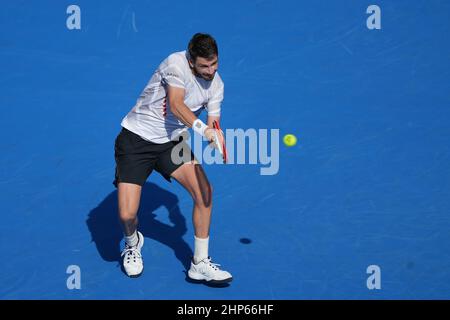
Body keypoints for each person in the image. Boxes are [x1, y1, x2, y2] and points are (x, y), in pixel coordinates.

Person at [112, 33, 232, 284]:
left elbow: (214, 123)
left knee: (205, 193)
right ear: (191, 61)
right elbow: (176, 105)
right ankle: (132, 242)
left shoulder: (217, 85)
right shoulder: (174, 64)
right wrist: (203, 131)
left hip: (172, 143)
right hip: (136, 140)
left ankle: (199, 263)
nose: (210, 71)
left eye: (214, 64)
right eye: (204, 66)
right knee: (126, 215)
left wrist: (217, 138)